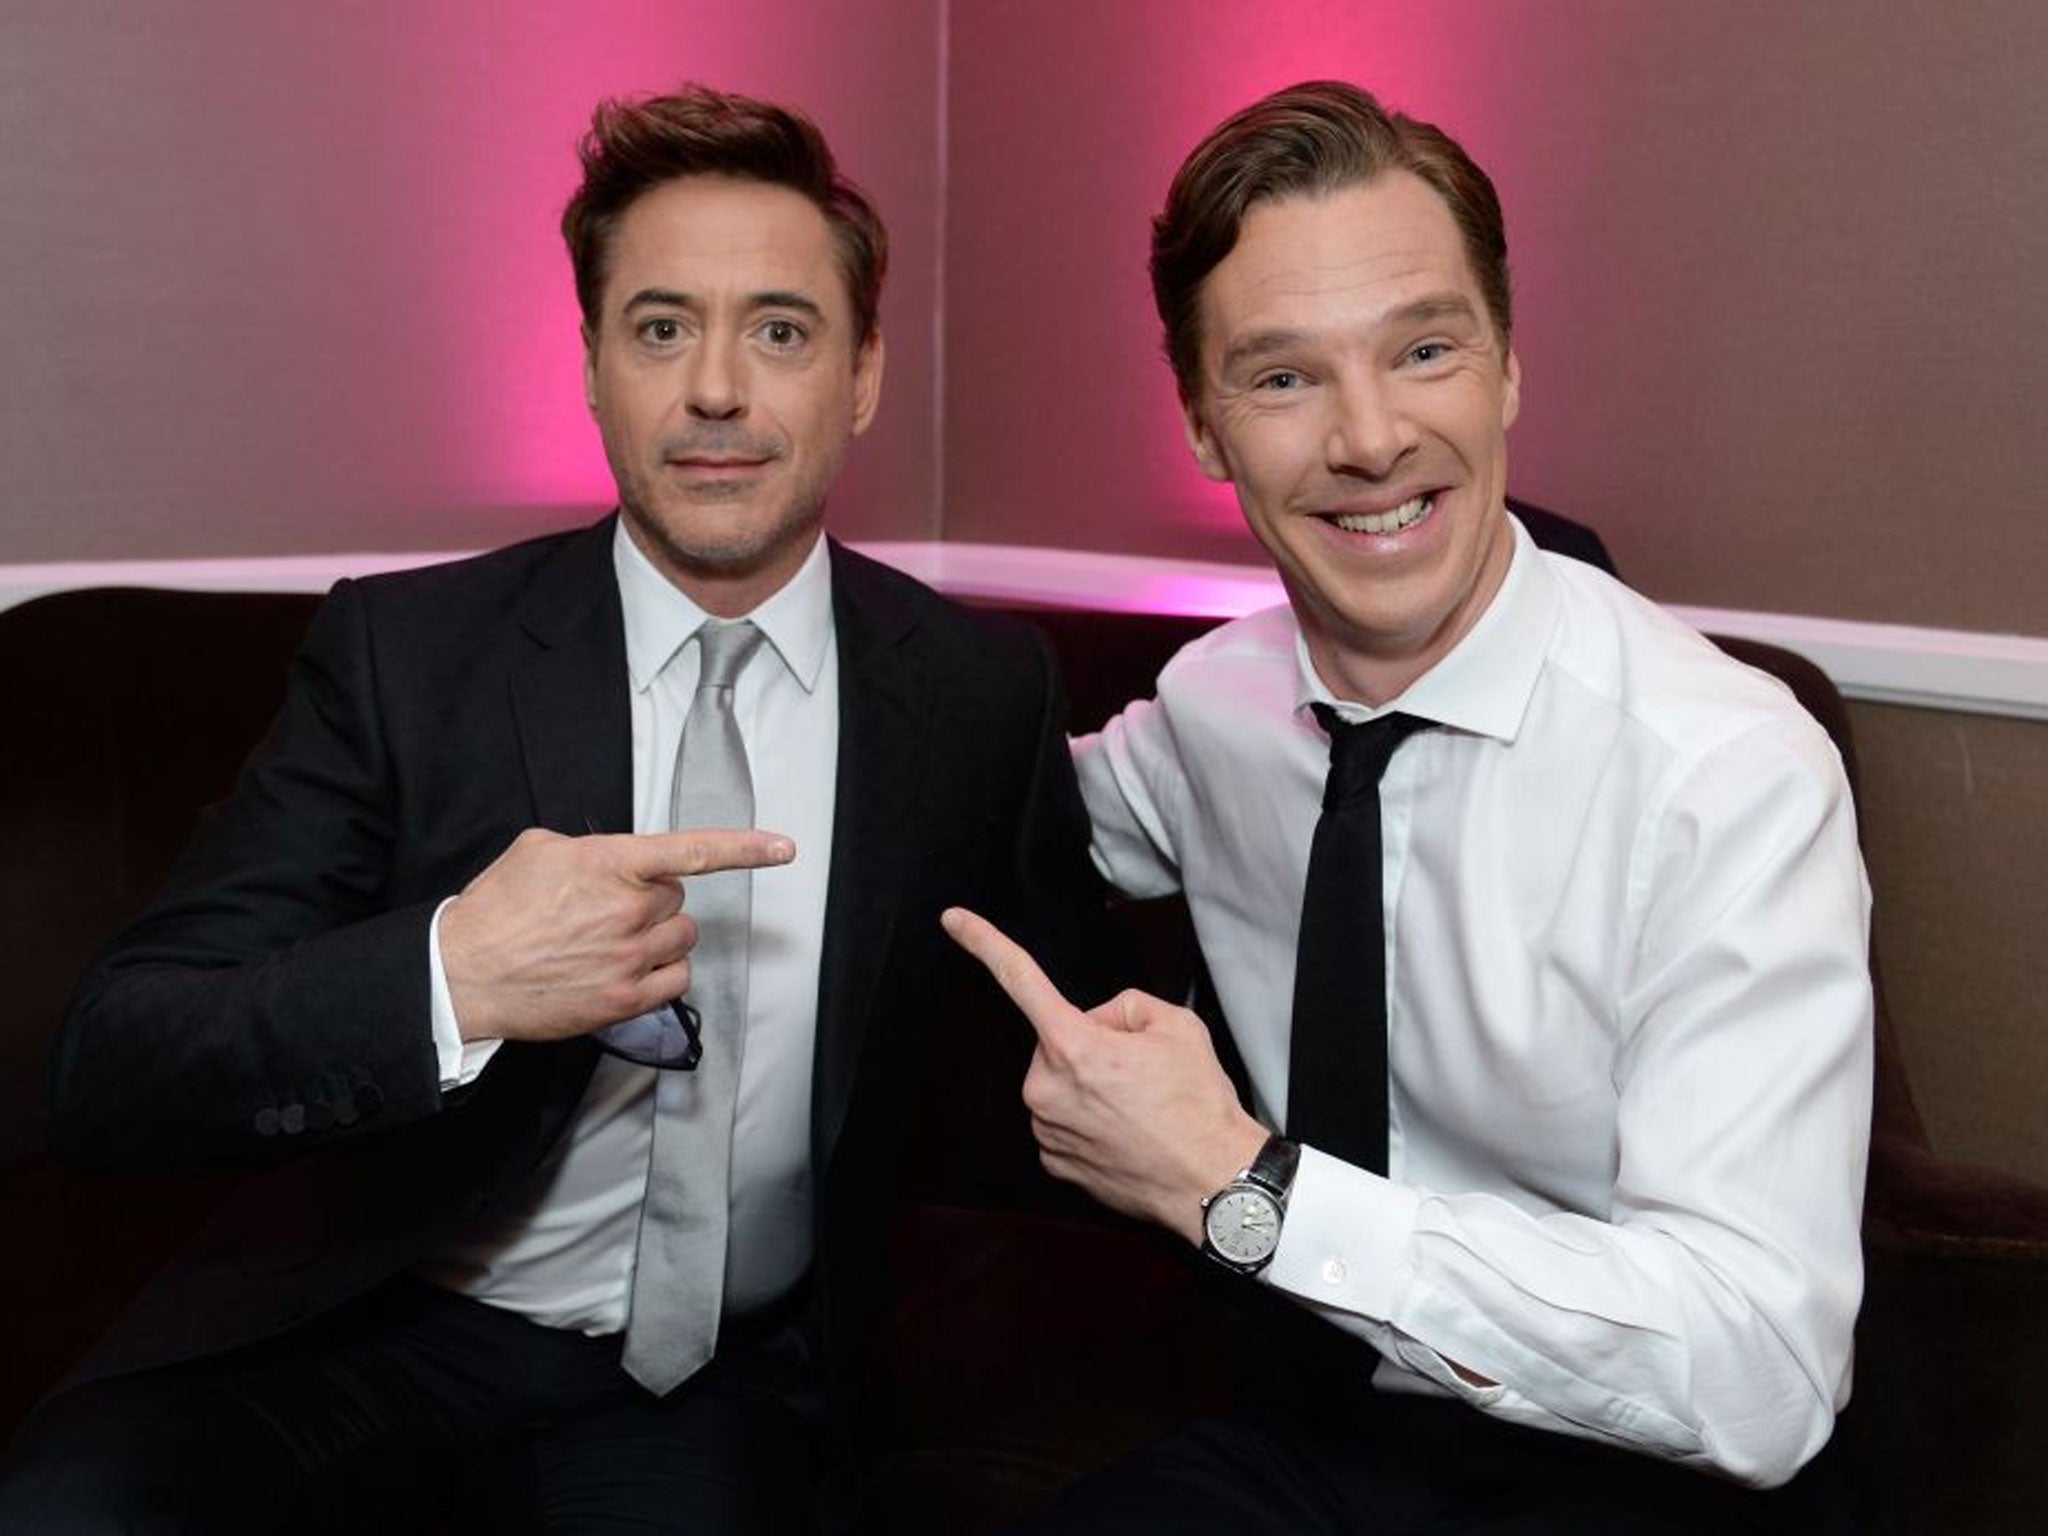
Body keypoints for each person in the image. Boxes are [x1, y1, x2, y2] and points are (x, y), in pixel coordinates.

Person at [0, 84, 1102, 1534]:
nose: (718, 388)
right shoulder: (410, 656)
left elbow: (1073, 1029)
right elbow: (117, 1061)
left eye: (780, 328)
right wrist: (454, 974)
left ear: (865, 374)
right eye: (660, 328)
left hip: (705, 1378)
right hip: (383, 1316)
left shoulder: (975, 690)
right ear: (591, 363)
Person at [943, 80, 1871, 1533]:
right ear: (1203, 424)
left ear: (1506, 367)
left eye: (1423, 349)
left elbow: (1757, 1371)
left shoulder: (1724, 772)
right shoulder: (1213, 709)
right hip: (1292, 1439)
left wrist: (1243, 1188)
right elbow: (1010, 807)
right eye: (1284, 377)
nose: (1370, 438)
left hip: (1631, 1477)